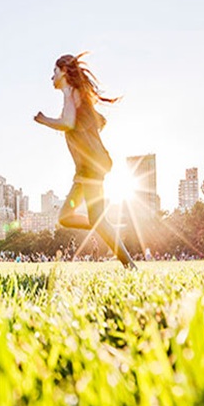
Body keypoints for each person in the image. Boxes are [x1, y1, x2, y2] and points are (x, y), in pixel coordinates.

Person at [34, 53, 136, 269]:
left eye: (54, 71)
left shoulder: (70, 92)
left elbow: (68, 122)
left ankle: (129, 264)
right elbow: (98, 121)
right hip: (84, 169)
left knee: (95, 218)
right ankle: (105, 227)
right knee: (65, 217)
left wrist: (44, 120)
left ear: (63, 71)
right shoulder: (76, 94)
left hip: (91, 168)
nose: (51, 76)